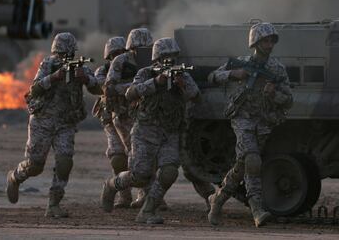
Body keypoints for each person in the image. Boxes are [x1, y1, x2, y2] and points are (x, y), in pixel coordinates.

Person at [101, 37, 200, 224]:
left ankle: (148, 210)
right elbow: (131, 93)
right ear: (157, 58)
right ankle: (111, 185)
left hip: (170, 131)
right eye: (166, 57)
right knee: (140, 175)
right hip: (145, 131)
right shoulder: (146, 73)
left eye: (173, 56)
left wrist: (182, 85)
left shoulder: (183, 75)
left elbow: (196, 96)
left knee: (169, 171)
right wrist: (158, 81)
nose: (170, 60)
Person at [207, 23, 293, 227]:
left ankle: (217, 200)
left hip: (263, 120)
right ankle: (257, 209)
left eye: (272, 41)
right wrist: (233, 74)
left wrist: (275, 94)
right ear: (255, 42)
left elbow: (289, 100)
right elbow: (212, 77)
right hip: (242, 117)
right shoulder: (241, 64)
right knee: (253, 160)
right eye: (265, 40)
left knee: (242, 165)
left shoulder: (277, 69)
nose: (270, 44)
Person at [6, 32, 99, 218]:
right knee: (35, 165)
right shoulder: (48, 64)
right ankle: (15, 177)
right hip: (43, 120)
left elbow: (97, 88)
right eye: (62, 54)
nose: (66, 57)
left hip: (66, 122)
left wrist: (86, 79)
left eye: (69, 54)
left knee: (65, 162)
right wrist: (55, 77)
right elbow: (35, 89)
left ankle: (54, 204)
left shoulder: (80, 67)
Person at [103, 28, 156, 209]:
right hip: (123, 114)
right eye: (137, 48)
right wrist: (136, 87)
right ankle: (125, 193)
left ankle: (146, 194)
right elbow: (109, 87)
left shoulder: (153, 61)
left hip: (146, 114)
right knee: (133, 155)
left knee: (148, 155)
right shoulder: (121, 61)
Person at [92, 36, 133, 208]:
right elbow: (104, 86)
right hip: (112, 118)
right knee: (118, 159)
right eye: (114, 54)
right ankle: (124, 196)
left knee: (141, 158)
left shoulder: (134, 69)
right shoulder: (102, 71)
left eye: (120, 53)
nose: (117, 57)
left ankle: (151, 196)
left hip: (132, 117)